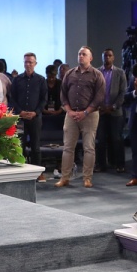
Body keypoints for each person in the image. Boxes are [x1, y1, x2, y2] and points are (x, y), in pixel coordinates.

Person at [57, 47, 105, 188]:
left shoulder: (97, 75)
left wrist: (85, 112)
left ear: (90, 58)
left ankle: (87, 178)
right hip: (71, 114)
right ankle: (65, 177)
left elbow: (99, 97)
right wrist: (69, 111)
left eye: (84, 54)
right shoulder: (70, 74)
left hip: (90, 115)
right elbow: (63, 94)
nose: (81, 56)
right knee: (67, 147)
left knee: (88, 147)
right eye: (79, 54)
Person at [10, 53, 46, 178]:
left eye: (30, 62)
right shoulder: (17, 80)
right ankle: (23, 173)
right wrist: (20, 111)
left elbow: (44, 99)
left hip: (35, 118)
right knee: (21, 146)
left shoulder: (41, 80)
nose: (28, 64)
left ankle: (38, 173)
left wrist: (35, 112)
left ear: (35, 63)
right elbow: (12, 98)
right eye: (26, 62)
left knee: (36, 147)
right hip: (20, 118)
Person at [95, 48, 127, 173]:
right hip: (100, 111)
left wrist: (113, 107)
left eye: (109, 55)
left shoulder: (120, 73)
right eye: (105, 56)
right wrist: (101, 106)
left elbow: (123, 93)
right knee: (100, 139)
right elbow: (93, 91)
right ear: (102, 57)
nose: (107, 58)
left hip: (115, 111)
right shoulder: (97, 72)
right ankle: (101, 164)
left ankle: (119, 164)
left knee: (117, 139)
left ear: (113, 57)